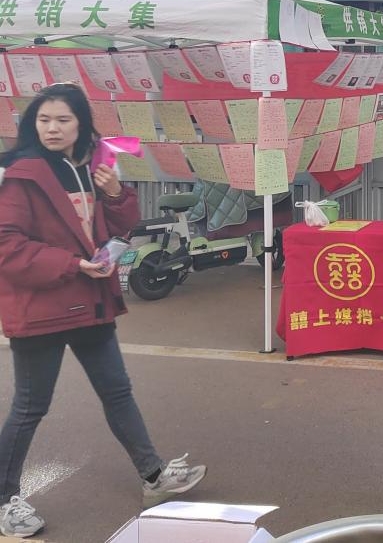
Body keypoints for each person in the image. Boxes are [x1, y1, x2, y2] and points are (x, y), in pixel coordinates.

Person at [0, 83, 206, 539]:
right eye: (44, 120)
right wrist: (71, 264)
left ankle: (153, 476)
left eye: (63, 120)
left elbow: (120, 225)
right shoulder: (21, 174)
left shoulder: (92, 166)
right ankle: (2, 498)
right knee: (31, 406)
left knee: (117, 392)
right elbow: (7, 245)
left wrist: (115, 194)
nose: (53, 128)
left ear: (81, 124)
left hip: (91, 301)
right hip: (41, 307)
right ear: (33, 124)